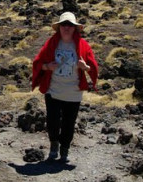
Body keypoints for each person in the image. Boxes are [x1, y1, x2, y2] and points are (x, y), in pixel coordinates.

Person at [31, 12, 99, 163]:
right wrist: (47, 66)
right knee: (52, 121)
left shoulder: (82, 45)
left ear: (75, 28)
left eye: (70, 25)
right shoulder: (51, 44)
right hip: (53, 90)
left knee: (69, 123)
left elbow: (92, 66)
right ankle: (54, 145)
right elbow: (37, 63)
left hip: (73, 92)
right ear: (59, 28)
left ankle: (65, 149)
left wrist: (85, 67)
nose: (66, 28)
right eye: (63, 25)